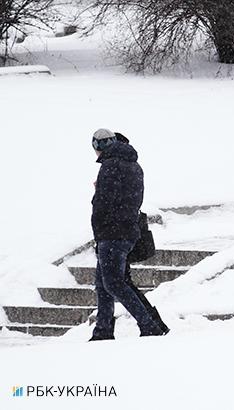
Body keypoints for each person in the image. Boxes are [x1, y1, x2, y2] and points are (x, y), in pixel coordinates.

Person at [89, 128, 168, 340]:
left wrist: (98, 192)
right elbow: (129, 198)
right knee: (103, 282)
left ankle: (148, 325)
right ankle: (103, 330)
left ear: (98, 146)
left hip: (112, 233)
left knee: (113, 282)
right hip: (126, 230)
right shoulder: (133, 165)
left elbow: (106, 202)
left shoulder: (110, 166)